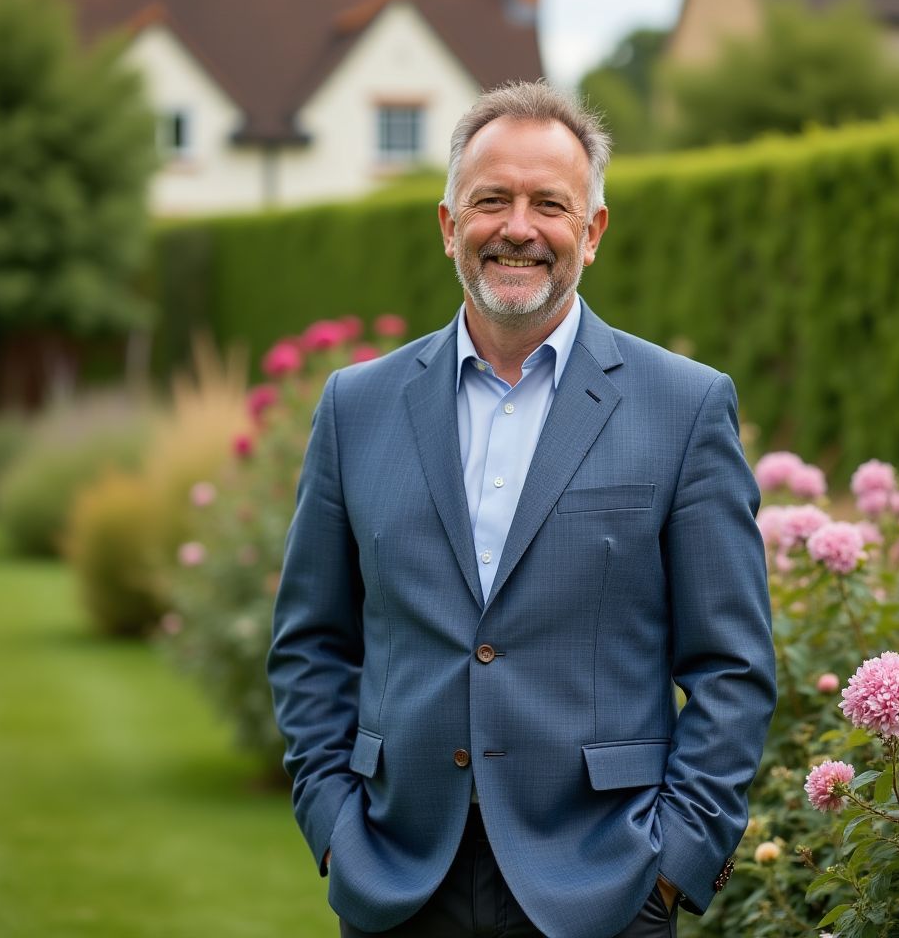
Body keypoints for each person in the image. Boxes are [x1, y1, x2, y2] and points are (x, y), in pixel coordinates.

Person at [267, 80, 776, 938]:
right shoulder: (357, 405)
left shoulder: (682, 407)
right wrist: (335, 831)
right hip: (397, 880)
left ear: (593, 231)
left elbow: (732, 667)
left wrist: (676, 864)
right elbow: (311, 641)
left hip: (606, 887)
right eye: (491, 200)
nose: (517, 228)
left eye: (550, 203)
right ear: (446, 224)